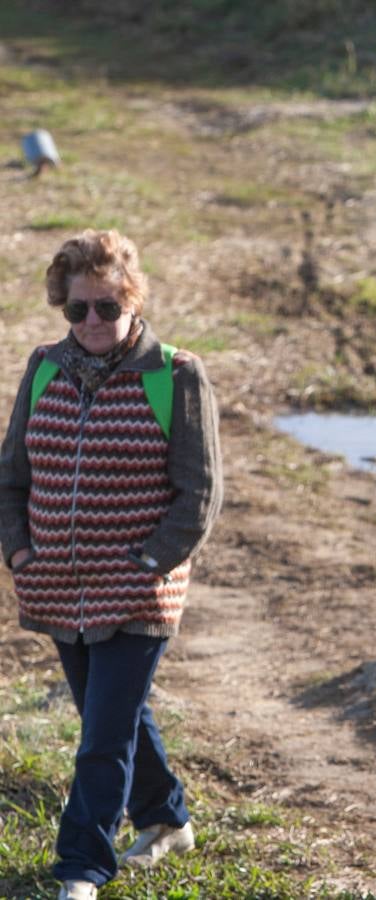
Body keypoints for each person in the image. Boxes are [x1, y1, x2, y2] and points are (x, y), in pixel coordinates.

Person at [0, 230, 223, 900]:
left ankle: (81, 868)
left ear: (130, 300)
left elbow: (200, 492)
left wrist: (148, 563)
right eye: (77, 309)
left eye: (105, 307)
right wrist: (19, 552)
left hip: (138, 591)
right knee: (115, 716)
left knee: (100, 736)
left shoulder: (176, 374)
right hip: (59, 589)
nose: (91, 322)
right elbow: (11, 477)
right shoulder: (43, 368)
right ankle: (165, 816)